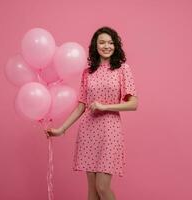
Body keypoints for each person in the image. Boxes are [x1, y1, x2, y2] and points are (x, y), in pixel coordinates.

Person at [45, 26, 138, 200]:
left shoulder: (122, 69)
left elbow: (133, 104)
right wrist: (61, 129)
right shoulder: (88, 72)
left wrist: (105, 107)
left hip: (110, 130)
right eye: (102, 42)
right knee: (92, 192)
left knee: (102, 187)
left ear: (115, 46)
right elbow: (81, 106)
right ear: (95, 46)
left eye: (110, 43)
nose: (106, 46)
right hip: (89, 131)